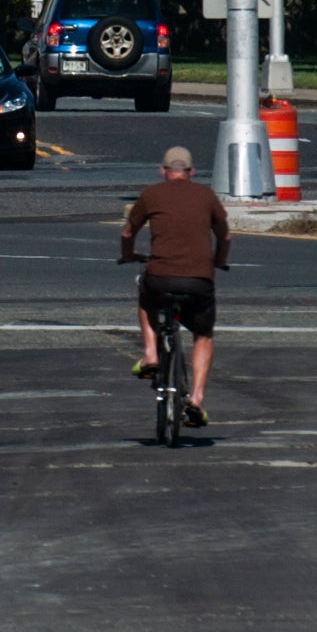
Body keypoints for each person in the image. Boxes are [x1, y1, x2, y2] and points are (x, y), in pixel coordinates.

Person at [118, 145, 230, 426]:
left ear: (163, 171)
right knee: (203, 336)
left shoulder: (151, 194)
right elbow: (225, 236)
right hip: (199, 281)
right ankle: (196, 399)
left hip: (160, 278)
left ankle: (151, 354)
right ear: (191, 172)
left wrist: (128, 254)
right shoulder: (206, 195)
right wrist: (218, 261)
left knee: (145, 295)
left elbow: (127, 232)